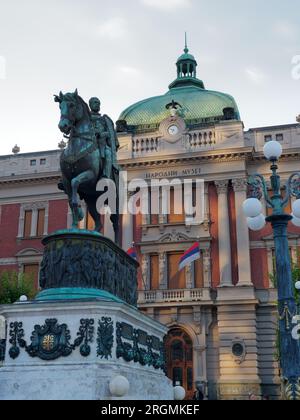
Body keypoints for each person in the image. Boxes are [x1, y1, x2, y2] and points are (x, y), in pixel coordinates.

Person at [89, 97, 119, 179]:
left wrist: (102, 134)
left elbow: (110, 134)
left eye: (98, 103)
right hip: (88, 144)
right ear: (90, 105)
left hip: (102, 144)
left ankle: (106, 175)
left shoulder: (104, 119)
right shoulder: (86, 119)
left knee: (108, 153)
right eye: (95, 102)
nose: (97, 104)